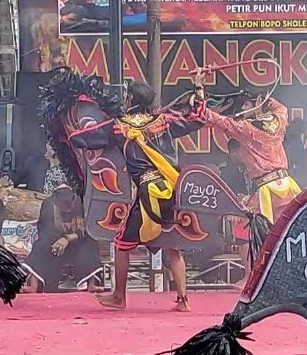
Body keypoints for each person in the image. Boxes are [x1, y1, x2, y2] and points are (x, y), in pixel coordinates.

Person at [69, 80, 206, 311]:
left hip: (147, 191)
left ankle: (119, 297)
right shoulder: (164, 122)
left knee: (122, 242)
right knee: (172, 244)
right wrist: (200, 93)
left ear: (130, 100)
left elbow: (82, 137)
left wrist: (77, 129)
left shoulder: (120, 127)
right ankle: (183, 300)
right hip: (172, 190)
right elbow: (198, 119)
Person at [200, 92, 301, 225]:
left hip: (267, 191)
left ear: (256, 105)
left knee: (265, 233)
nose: (242, 108)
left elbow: (219, 121)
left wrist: (199, 102)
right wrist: (264, 99)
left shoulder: (246, 128)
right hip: (287, 185)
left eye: (246, 104)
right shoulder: (278, 120)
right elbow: (281, 108)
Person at [21, 184, 103, 293]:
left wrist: (67, 239)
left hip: (76, 243)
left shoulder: (81, 202)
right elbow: (44, 230)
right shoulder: (49, 204)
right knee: (41, 244)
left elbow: (87, 230)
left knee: (90, 242)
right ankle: (33, 284)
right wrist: (58, 240)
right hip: (54, 244)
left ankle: (92, 283)